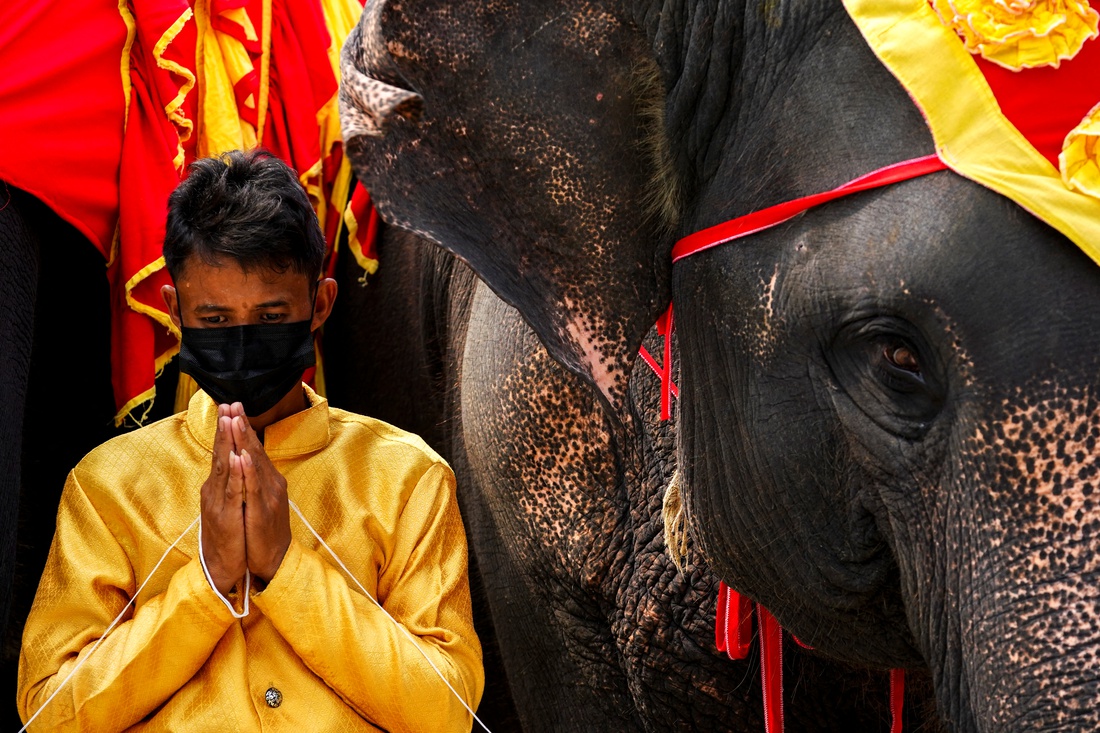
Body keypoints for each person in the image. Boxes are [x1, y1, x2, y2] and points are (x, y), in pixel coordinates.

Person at [17, 150, 484, 731]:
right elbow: (48, 714)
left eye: (269, 318)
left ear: (320, 305)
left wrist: (286, 568)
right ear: (174, 310)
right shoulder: (108, 486)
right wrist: (206, 582)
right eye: (214, 320)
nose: (241, 342)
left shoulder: (408, 478)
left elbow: (449, 711)